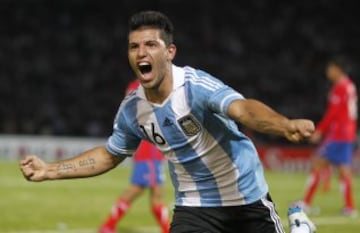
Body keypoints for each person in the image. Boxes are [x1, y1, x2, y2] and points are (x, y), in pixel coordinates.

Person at [20, 11, 316, 233]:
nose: (141, 53)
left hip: (245, 197)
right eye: (134, 46)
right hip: (194, 206)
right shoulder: (132, 109)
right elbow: (109, 156)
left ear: (169, 52)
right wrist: (49, 170)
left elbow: (242, 110)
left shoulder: (194, 86)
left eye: (150, 44)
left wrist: (284, 125)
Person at [99, 80, 169, 233]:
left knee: (153, 193)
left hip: (150, 149)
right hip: (149, 150)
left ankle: (108, 226)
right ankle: (108, 226)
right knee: (144, 191)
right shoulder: (143, 87)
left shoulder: (138, 86)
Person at [296, 57, 358, 217]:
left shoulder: (340, 87)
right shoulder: (349, 86)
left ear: (338, 69)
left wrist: (320, 131)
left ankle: (306, 203)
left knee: (318, 164)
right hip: (347, 133)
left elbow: (333, 113)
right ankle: (350, 208)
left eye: (330, 68)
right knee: (344, 169)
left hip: (338, 134)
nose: (328, 71)